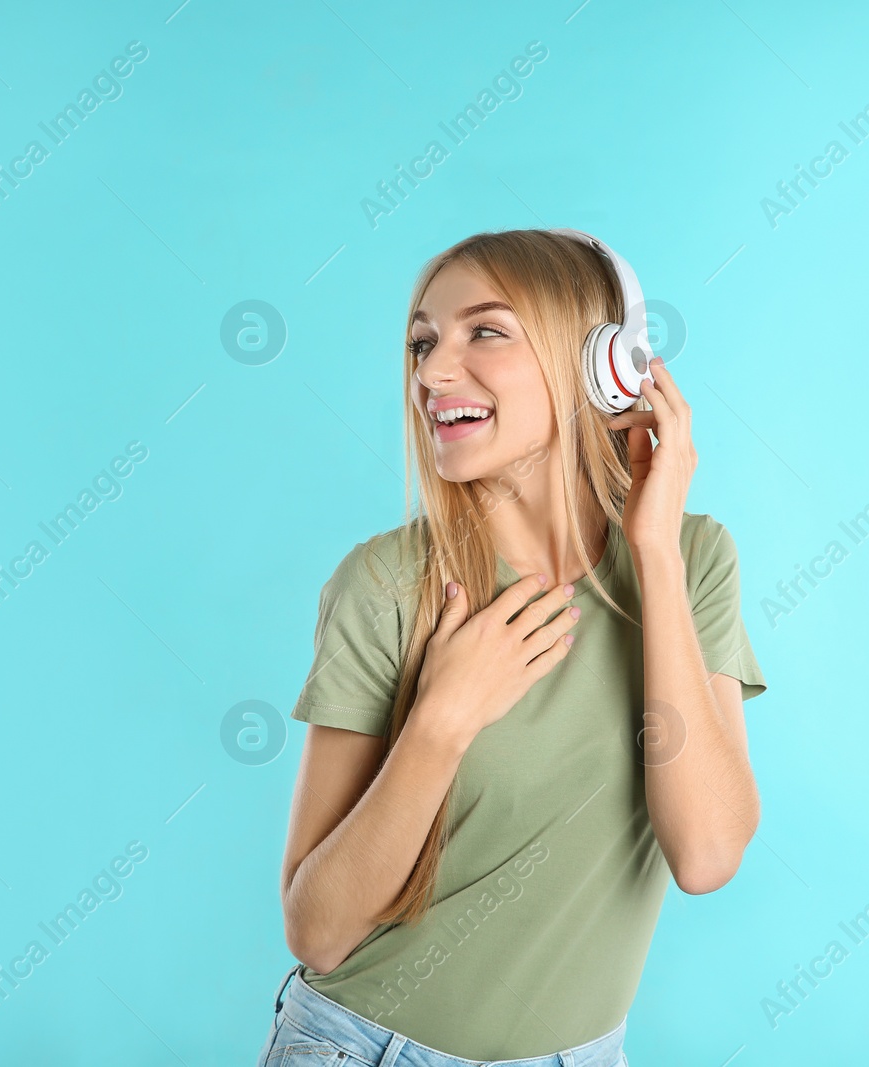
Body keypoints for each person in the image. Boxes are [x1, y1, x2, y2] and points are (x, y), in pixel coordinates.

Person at [259, 228, 768, 1066]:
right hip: (367, 1047)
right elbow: (316, 930)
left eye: (483, 331)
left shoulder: (691, 557)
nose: (431, 370)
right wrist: (442, 719)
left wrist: (653, 554)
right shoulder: (387, 583)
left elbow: (707, 852)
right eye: (423, 341)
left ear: (604, 366)